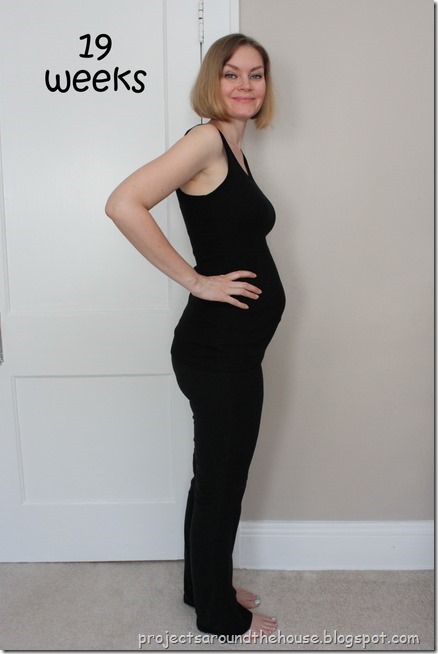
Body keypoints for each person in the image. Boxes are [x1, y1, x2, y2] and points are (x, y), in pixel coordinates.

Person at [105, 33, 285, 638]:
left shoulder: (233, 147)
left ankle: (202, 586)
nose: (245, 85)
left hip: (235, 348)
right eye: (231, 73)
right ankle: (218, 615)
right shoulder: (206, 140)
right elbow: (124, 203)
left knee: (216, 476)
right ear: (213, 81)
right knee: (221, 482)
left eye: (256, 74)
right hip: (217, 349)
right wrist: (195, 280)